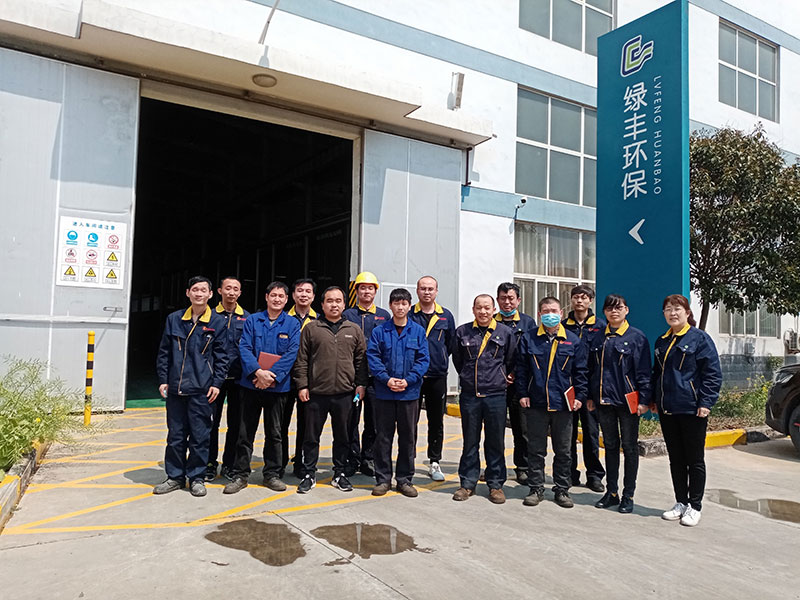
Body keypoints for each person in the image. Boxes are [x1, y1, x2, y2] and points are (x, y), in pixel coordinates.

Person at [155, 276, 229, 497]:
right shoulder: (174, 319)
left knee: (200, 437)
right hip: (176, 389)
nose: (199, 294)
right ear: (188, 293)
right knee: (175, 436)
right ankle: (174, 477)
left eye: (203, 290)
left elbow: (222, 357)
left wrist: (217, 383)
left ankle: (197, 478)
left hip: (202, 390)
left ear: (210, 294)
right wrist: (163, 379)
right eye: (195, 290)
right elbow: (164, 352)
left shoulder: (217, 322)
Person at [223, 282, 300, 494]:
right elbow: (244, 348)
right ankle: (240, 475)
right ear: (266, 297)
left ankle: (272, 474)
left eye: (281, 296)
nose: (277, 299)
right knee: (244, 433)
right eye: (273, 295)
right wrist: (258, 373)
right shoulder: (253, 320)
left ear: (286, 300)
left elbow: (292, 353)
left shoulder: (292, 324)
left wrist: (271, 376)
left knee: (275, 433)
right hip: (251, 385)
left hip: (278, 387)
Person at [652, 294, 722, 527]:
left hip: (692, 408)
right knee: (676, 459)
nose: (672, 313)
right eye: (668, 309)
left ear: (687, 313)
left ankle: (695, 506)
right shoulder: (662, 341)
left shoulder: (699, 339)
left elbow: (712, 374)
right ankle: (681, 502)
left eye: (677, 309)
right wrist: (654, 399)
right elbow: (657, 374)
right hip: (668, 409)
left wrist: (706, 402)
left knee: (695, 459)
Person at [293, 286, 368, 494]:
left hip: (345, 393)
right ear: (322, 304)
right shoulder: (311, 328)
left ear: (344, 304)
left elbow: (361, 360)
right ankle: (309, 473)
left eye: (338, 301)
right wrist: (302, 385)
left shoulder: (354, 329)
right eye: (329, 301)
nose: (334, 305)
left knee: (343, 436)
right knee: (311, 436)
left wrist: (361, 384)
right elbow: (302, 359)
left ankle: (340, 473)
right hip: (316, 393)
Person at [515, 296, 587, 509]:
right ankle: (536, 488)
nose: (550, 315)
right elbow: (522, 370)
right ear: (539, 314)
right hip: (536, 403)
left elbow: (581, 372)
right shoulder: (529, 338)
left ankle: (562, 489)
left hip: (563, 404)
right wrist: (522, 394)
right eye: (546, 311)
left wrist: (580, 397)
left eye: (554, 311)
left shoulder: (572, 340)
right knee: (536, 449)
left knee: (563, 450)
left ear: (561, 314)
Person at [588, 294, 651, 514]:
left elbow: (644, 371)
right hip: (604, 402)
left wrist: (644, 400)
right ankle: (612, 492)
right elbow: (591, 370)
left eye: (618, 308)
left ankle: (628, 495)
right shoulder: (598, 337)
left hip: (627, 403)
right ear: (604, 312)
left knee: (630, 447)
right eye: (609, 308)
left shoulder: (636, 337)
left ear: (626, 310)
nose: (614, 312)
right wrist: (590, 396)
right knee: (610, 446)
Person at [451, 294, 516, 504]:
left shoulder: (505, 333)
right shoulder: (462, 331)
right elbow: (458, 360)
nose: (483, 312)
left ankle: (495, 484)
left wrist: (500, 377)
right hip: (470, 395)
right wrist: (468, 377)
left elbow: (511, 359)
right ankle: (467, 483)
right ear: (473, 310)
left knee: (495, 441)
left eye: (487, 307)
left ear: (494, 309)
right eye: (479, 307)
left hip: (496, 395)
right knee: (470, 441)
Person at [367, 288, 430, 497]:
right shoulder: (380, 331)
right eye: (396, 303)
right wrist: (387, 379)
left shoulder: (418, 331)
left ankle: (404, 480)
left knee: (407, 438)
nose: (400, 307)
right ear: (390, 306)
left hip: (408, 394)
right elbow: (373, 358)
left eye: (404, 303)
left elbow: (423, 360)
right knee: (383, 437)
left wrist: (407, 380)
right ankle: (383, 479)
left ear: (409, 306)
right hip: (384, 393)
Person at [342, 271, 390, 477]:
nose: (367, 291)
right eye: (363, 288)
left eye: (371, 288)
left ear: (375, 291)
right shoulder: (347, 315)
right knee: (351, 419)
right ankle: (352, 458)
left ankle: (368, 458)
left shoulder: (384, 316)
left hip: (375, 379)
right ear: (357, 291)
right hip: (352, 378)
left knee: (374, 421)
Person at [409, 275, 456, 482]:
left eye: (430, 289)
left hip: (437, 376)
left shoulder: (446, 316)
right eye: (423, 288)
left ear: (436, 291)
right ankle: (408, 459)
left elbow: (451, 344)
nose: (426, 292)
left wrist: (439, 359)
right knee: (409, 420)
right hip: (413, 376)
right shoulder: (410, 314)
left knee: (436, 420)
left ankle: (434, 461)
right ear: (417, 291)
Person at [562, 284, 606, 493]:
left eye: (584, 297)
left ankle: (594, 476)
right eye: (576, 297)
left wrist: (593, 392)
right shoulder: (563, 326)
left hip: (590, 390)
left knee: (591, 433)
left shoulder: (601, 327)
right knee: (567, 434)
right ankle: (570, 473)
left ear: (591, 300)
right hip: (567, 389)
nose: (579, 301)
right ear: (571, 300)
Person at [206, 276, 250, 482]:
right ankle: (209, 464)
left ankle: (229, 464)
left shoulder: (247, 318)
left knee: (236, 424)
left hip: (239, 379)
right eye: (228, 288)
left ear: (240, 293)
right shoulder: (210, 315)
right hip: (213, 379)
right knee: (210, 423)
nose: (231, 292)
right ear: (219, 291)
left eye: (235, 289)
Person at [495, 282, 537, 484]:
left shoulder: (528, 323)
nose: (507, 302)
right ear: (497, 300)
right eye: (503, 298)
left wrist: (515, 373)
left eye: (511, 298)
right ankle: (495, 467)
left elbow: (532, 353)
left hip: (520, 385)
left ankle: (523, 467)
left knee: (522, 428)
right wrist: (501, 374)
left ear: (518, 300)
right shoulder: (490, 321)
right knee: (495, 429)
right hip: (495, 384)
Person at [281, 278, 318, 479]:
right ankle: (279, 462)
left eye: (308, 291)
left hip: (308, 381)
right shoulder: (282, 317)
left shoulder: (319, 320)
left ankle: (300, 462)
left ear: (313, 296)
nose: (304, 295)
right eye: (300, 291)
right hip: (284, 379)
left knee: (305, 424)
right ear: (293, 295)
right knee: (281, 423)